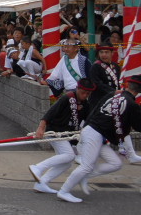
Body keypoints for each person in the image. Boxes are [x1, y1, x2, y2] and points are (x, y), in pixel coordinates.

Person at [56, 75, 141, 203]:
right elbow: (138, 126)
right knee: (87, 166)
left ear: (128, 85)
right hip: (94, 133)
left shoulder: (113, 95)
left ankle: (83, 177)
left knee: (115, 163)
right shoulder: (132, 105)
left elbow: (95, 110)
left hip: (94, 132)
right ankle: (64, 191)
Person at [28, 78, 96, 194]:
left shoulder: (85, 104)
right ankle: (38, 167)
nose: (85, 95)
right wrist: (41, 127)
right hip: (55, 131)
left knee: (66, 163)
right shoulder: (67, 98)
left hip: (66, 136)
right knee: (69, 155)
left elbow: (89, 121)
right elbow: (50, 112)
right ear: (77, 88)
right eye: (83, 92)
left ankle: (42, 183)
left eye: (88, 94)